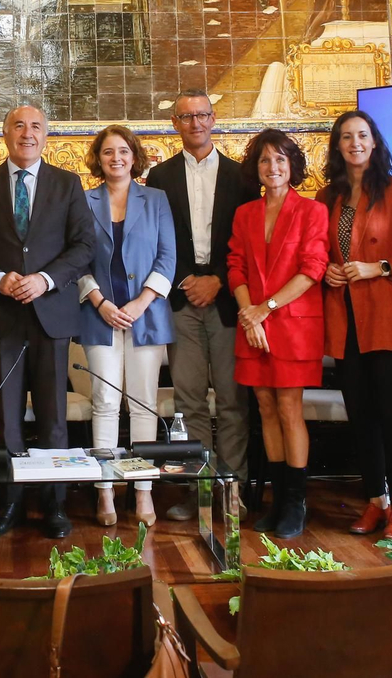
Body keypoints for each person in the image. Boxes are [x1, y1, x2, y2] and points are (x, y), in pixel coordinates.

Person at [0, 105, 95, 539]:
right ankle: (8, 502)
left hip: (51, 314)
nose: (26, 134)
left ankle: (54, 504)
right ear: (5, 134)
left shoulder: (68, 184)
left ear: (45, 136)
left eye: (35, 127)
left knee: (53, 415)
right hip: (1, 316)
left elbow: (84, 245)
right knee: (6, 417)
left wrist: (46, 279)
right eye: (18, 126)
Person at [144, 91, 259, 522]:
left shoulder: (243, 176)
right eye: (186, 117)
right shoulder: (159, 177)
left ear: (214, 120)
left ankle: (233, 489)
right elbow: (153, 239)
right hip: (180, 298)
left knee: (231, 399)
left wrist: (220, 282)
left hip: (231, 300)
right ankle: (200, 491)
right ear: (175, 123)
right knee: (189, 399)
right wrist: (184, 281)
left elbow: (251, 245)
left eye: (203, 115)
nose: (195, 123)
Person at [317, 110, 392, 541]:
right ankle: (374, 501)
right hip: (345, 321)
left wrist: (378, 267)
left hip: (389, 318)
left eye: (362, 135)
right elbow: (316, 252)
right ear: (337, 146)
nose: (354, 143)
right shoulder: (327, 196)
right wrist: (327, 269)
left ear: (374, 142)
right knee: (361, 419)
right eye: (346, 137)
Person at [226, 128, 327, 539]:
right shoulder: (245, 213)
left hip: (292, 326)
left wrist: (263, 310)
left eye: (281, 160)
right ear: (257, 167)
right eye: (266, 160)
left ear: (292, 166)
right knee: (265, 409)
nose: (273, 167)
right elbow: (235, 266)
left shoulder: (311, 211)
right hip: (253, 326)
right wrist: (249, 316)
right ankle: (277, 499)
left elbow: (312, 270)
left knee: (289, 410)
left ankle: (295, 503)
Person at [76, 125, 175, 527]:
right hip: (98, 316)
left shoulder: (157, 200)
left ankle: (143, 491)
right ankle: (104, 492)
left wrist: (140, 302)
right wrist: (99, 301)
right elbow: (77, 260)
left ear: (135, 156)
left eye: (123, 151)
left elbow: (167, 258)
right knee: (104, 401)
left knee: (143, 403)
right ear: (98, 160)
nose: (116, 158)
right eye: (107, 152)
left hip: (145, 316)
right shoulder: (83, 201)